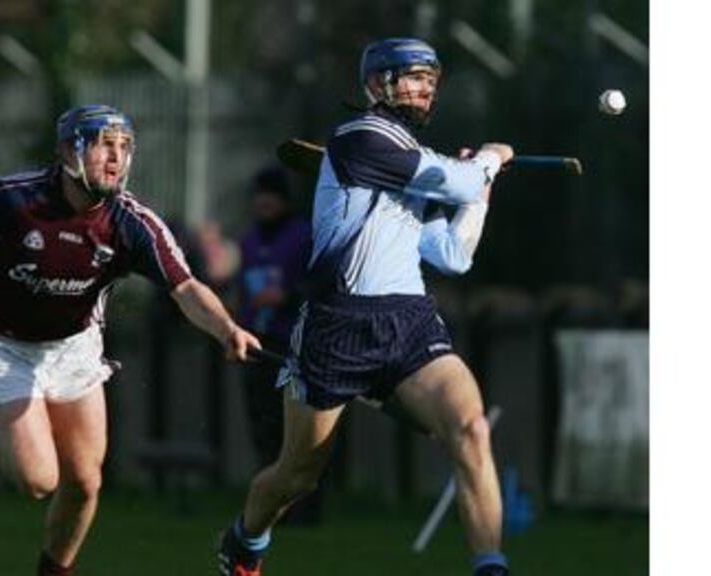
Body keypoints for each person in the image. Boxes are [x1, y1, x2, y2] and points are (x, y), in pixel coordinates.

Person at [0, 104, 261, 576]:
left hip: (75, 347)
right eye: (104, 144)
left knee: (84, 483)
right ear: (68, 151)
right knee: (40, 481)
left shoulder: (131, 223)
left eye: (124, 148)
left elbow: (185, 286)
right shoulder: (20, 199)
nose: (116, 158)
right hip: (5, 345)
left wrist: (226, 328)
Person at [216, 38, 515, 576]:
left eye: (432, 79)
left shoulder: (411, 162)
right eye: (413, 77)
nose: (426, 88)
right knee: (297, 475)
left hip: (409, 321)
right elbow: (460, 176)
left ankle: (490, 566)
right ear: (378, 84)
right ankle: (245, 539)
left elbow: (451, 254)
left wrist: (478, 194)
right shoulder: (363, 138)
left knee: (470, 428)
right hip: (337, 326)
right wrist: (489, 162)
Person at [235, 166, 320, 524]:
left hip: (294, 343)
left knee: (298, 430)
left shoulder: (302, 236)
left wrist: (285, 298)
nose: (265, 201)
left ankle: (304, 509)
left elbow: (318, 283)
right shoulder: (249, 241)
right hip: (259, 343)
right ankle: (271, 507)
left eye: (272, 194)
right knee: (264, 426)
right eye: (260, 194)